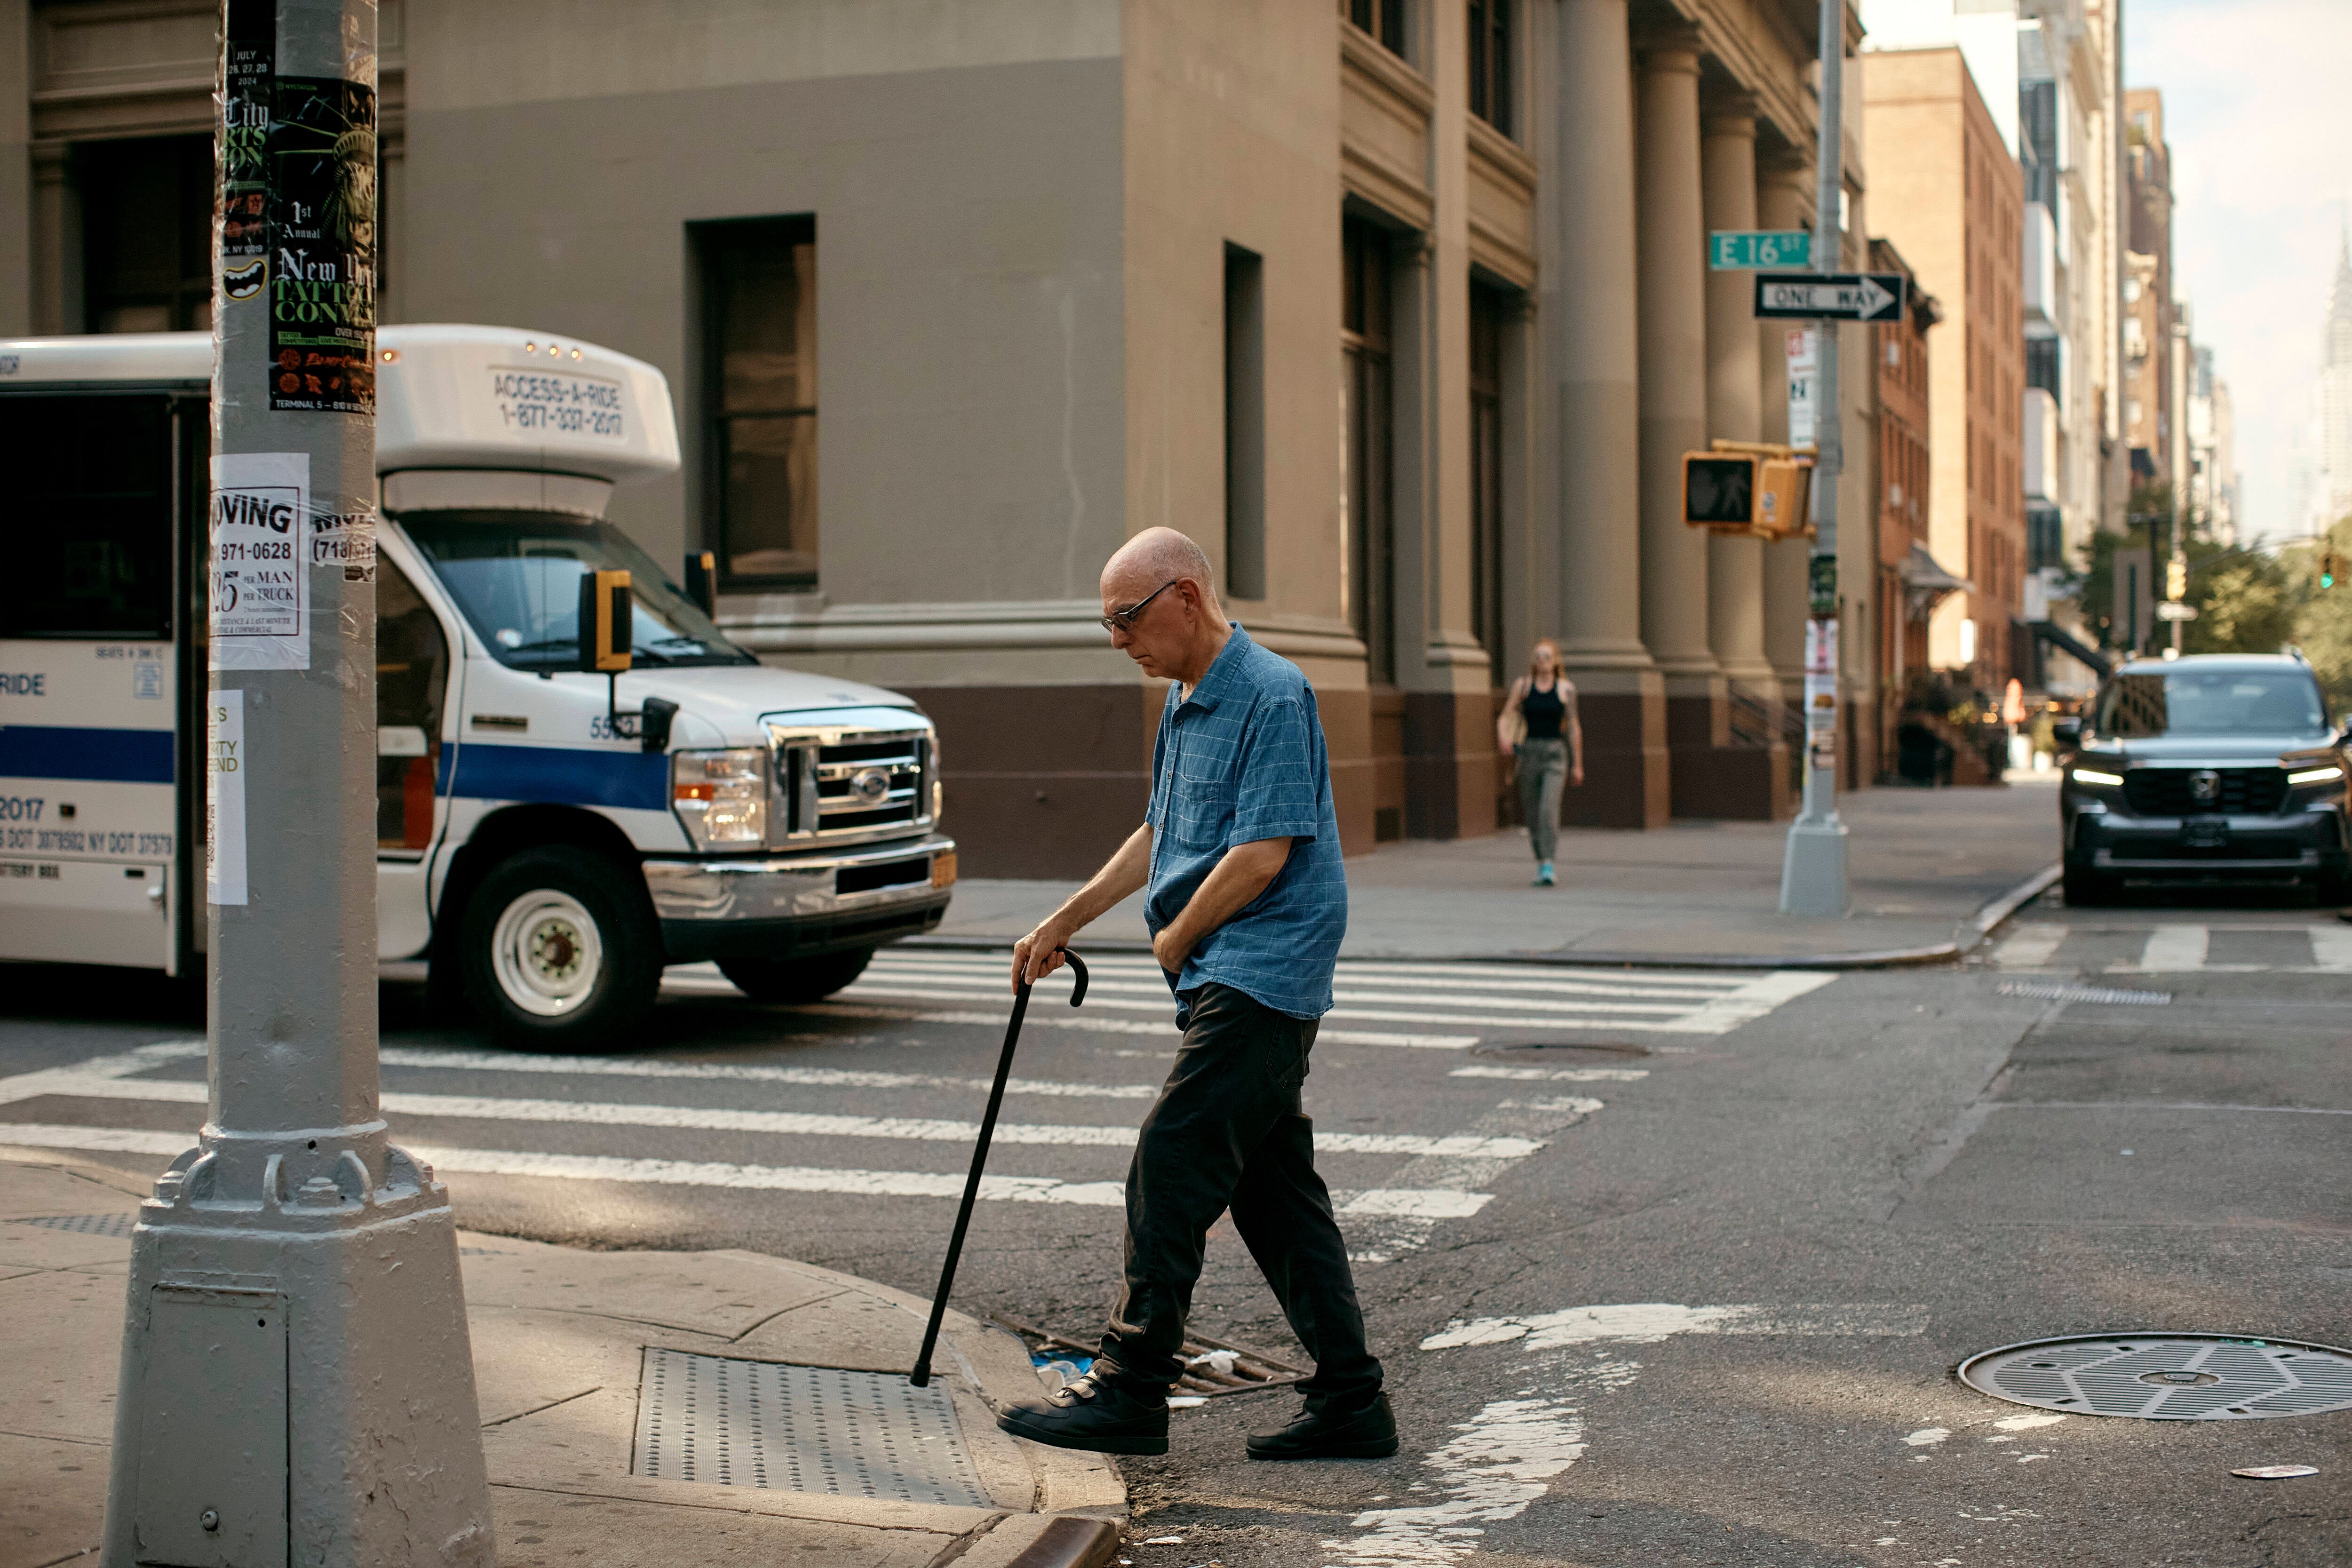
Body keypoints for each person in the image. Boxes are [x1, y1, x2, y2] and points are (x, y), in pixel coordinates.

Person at [994, 527, 1394, 1463]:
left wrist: (1176, 936)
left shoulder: (1272, 692)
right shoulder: (1183, 698)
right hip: (1224, 972)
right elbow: (1159, 831)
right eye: (1107, 621)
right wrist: (1062, 922)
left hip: (1262, 973)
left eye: (1125, 618)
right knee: (1274, 1194)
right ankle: (1351, 1400)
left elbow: (1264, 852)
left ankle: (1132, 1389)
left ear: (1182, 597)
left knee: (1170, 1162)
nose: (1116, 639)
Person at [1495, 638, 1582, 886]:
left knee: (1548, 809)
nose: (1542, 660)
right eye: (1538, 656)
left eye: (1546, 656)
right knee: (1533, 814)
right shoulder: (1523, 687)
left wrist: (1578, 764)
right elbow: (1506, 715)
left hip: (1556, 754)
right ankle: (1540, 859)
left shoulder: (1566, 689)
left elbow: (1574, 727)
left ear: (1555, 660)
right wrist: (1503, 737)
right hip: (1529, 752)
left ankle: (1548, 863)